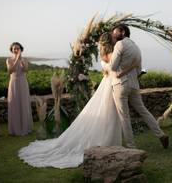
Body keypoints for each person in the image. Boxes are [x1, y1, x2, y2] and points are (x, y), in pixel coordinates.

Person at [18, 33, 136, 169]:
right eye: (114, 38)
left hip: (108, 84)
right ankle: (107, 143)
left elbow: (108, 69)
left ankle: (111, 143)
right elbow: (115, 67)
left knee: (109, 114)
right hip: (111, 85)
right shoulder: (111, 54)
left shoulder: (104, 54)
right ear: (111, 41)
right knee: (109, 114)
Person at [109, 24, 169, 149]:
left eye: (115, 33)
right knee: (143, 111)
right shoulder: (136, 47)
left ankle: (131, 146)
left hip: (121, 85)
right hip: (134, 84)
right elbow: (138, 70)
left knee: (124, 117)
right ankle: (161, 134)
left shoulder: (120, 45)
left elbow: (113, 67)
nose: (113, 36)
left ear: (123, 32)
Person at [7, 42, 33, 136]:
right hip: (13, 82)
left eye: (18, 48)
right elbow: (10, 71)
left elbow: (25, 70)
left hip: (22, 82)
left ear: (21, 50)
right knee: (14, 103)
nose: (16, 50)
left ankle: (25, 127)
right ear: (12, 50)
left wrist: (21, 61)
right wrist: (16, 59)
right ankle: (15, 129)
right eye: (14, 48)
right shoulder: (9, 60)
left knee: (23, 103)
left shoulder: (24, 60)